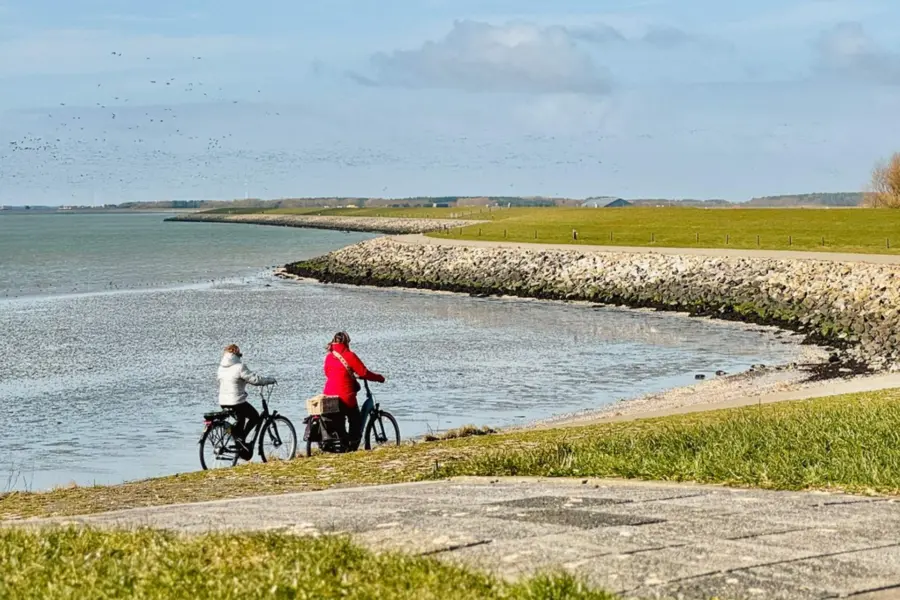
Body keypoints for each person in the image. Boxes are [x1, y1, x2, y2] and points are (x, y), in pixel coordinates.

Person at [323, 332, 385, 450]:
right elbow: (364, 372)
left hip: (329, 395)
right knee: (355, 419)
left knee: (339, 420)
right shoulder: (349, 355)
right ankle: (353, 443)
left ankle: (343, 443)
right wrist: (379, 378)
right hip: (345, 396)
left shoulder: (329, 356)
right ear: (346, 342)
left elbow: (327, 373)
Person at [217, 344, 276, 460]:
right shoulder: (240, 367)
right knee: (255, 417)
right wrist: (269, 380)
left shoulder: (221, 368)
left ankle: (240, 441)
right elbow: (254, 380)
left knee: (240, 420)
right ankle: (242, 440)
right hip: (236, 401)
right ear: (237, 354)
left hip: (223, 401)